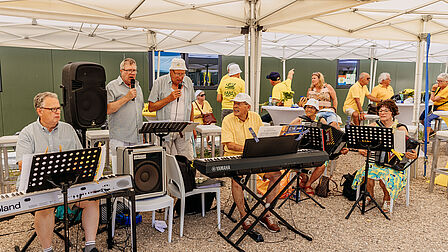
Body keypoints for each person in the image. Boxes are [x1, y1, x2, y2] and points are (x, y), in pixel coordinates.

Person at [15, 92, 99, 252]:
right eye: (52, 109)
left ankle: (90, 246)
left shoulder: (68, 129)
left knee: (92, 200)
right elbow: (22, 166)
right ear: (40, 111)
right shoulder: (28, 133)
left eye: (58, 108)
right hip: (40, 186)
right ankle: (48, 249)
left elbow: (81, 158)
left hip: (67, 184)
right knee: (45, 206)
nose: (57, 112)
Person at [221, 93, 281, 232]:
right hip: (235, 157)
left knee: (276, 175)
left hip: (255, 157)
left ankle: (267, 213)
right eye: (234, 103)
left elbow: (262, 138)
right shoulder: (227, 120)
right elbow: (229, 145)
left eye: (239, 104)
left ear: (247, 107)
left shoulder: (255, 117)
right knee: (237, 181)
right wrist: (249, 149)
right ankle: (243, 216)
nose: (235, 106)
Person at [351, 100, 418, 213]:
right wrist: (361, 149)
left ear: (392, 112)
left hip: (394, 164)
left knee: (384, 178)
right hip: (376, 161)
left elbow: (409, 147)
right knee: (367, 172)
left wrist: (413, 153)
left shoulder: (400, 128)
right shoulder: (373, 126)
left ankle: (387, 199)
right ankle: (369, 195)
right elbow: (362, 142)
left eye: (386, 111)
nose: (382, 113)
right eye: (380, 111)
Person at [148, 58, 195, 160]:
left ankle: (185, 176)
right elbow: (151, 107)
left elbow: (190, 105)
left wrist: (192, 127)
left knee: (188, 160)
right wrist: (169, 99)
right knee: (165, 161)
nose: (180, 77)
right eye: (177, 74)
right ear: (171, 72)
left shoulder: (188, 82)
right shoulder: (159, 82)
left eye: (182, 74)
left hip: (183, 129)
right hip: (165, 130)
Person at [106, 58, 144, 173]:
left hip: (137, 137)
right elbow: (107, 109)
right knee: (120, 171)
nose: (131, 73)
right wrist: (127, 97)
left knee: (137, 170)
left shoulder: (138, 86)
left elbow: (139, 109)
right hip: (120, 138)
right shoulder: (112, 86)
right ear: (121, 71)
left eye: (134, 70)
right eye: (128, 70)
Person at [419, 73, 448, 137]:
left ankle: (427, 139)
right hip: (435, 108)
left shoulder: (446, 90)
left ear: (446, 82)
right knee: (421, 119)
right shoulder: (439, 88)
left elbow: (434, 99)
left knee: (427, 119)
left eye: (441, 81)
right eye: (438, 81)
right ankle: (431, 132)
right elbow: (431, 99)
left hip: (443, 109)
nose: (438, 83)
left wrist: (433, 90)